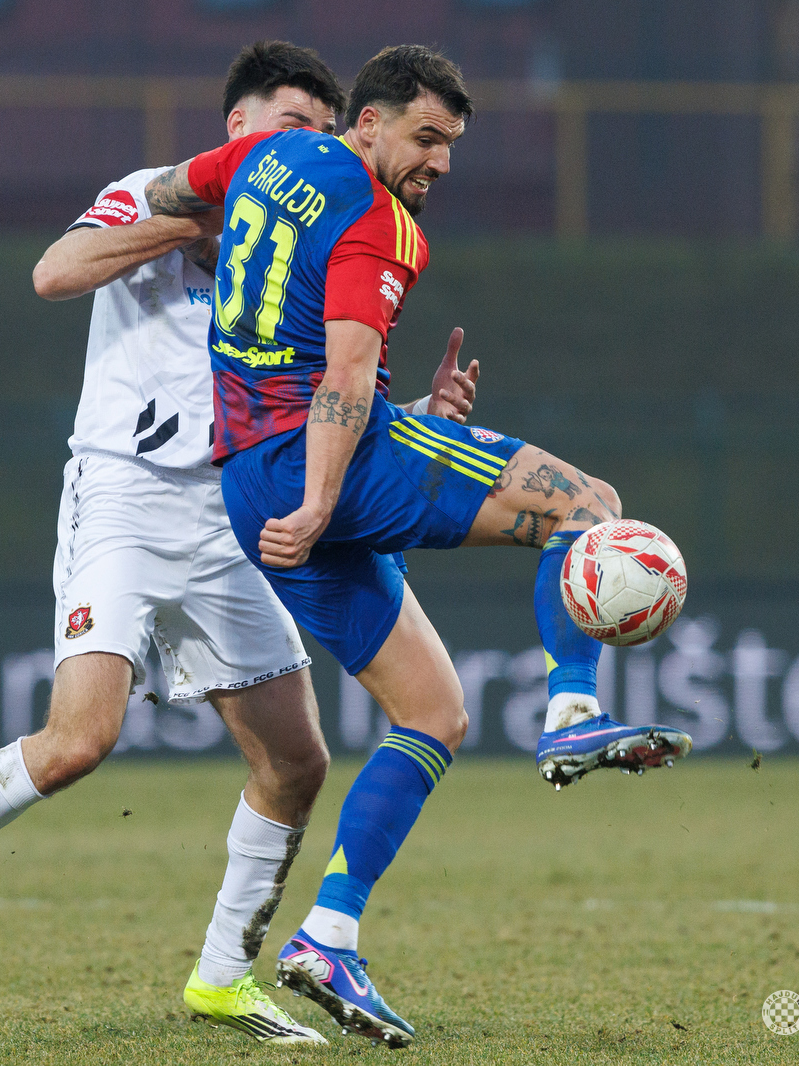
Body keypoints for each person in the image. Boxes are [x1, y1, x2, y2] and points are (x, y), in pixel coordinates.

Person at [0, 41, 479, 1048]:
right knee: (81, 739)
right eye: (285, 126)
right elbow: (53, 272)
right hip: (124, 497)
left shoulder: (329, 226)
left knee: (296, 762)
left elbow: (330, 393)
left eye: (317, 129)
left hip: (241, 512)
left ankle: (222, 978)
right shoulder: (154, 194)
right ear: (237, 127)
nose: (301, 146)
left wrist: (425, 410)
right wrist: (189, 222)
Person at [141, 44, 694, 1046]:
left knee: (434, 714)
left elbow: (175, 189)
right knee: (592, 504)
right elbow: (342, 379)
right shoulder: (379, 221)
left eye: (452, 146)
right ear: (366, 124)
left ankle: (328, 934)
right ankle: (573, 707)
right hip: (322, 467)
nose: (438, 162)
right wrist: (320, 500)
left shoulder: (263, 154)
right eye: (425, 138)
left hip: (245, 480)